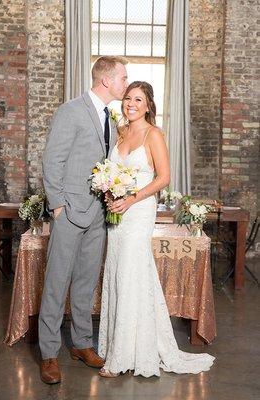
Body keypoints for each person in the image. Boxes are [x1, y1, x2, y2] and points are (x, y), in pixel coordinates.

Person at [98, 81, 215, 378]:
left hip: (138, 213)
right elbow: (111, 173)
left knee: (129, 271)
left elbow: (164, 178)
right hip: (117, 214)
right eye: (127, 98)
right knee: (117, 272)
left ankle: (122, 356)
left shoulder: (154, 134)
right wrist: (110, 193)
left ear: (148, 105)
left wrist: (131, 199)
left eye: (138, 99)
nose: (131, 104)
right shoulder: (121, 132)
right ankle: (118, 346)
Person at [39, 56, 128, 384]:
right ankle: (49, 353)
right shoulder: (71, 110)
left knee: (86, 282)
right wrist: (58, 207)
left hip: (97, 216)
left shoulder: (109, 116)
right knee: (56, 283)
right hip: (70, 214)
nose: (125, 82)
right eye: (122, 77)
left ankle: (81, 344)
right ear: (106, 80)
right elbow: (52, 160)